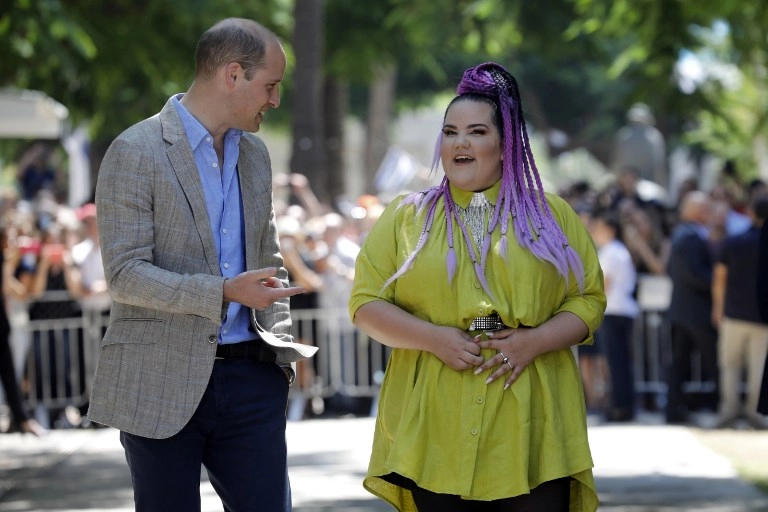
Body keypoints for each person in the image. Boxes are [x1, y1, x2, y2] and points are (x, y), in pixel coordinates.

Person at [349, 62, 606, 512]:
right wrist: (433, 339)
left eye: (476, 132)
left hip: (534, 424)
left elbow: (588, 299)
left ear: (506, 144)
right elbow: (366, 303)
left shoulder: (553, 215)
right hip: (436, 422)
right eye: (450, 132)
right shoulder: (405, 218)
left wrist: (535, 342)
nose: (460, 142)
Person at [86, 18, 316, 511]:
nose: (275, 100)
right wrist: (224, 292)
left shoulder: (254, 154)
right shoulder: (134, 150)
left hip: (253, 379)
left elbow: (267, 256)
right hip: (159, 381)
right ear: (233, 74)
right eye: (270, 86)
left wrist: (281, 353)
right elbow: (125, 275)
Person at [711, 194, 768, 429]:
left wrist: (717, 308)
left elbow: (720, 278)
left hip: (733, 314)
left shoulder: (734, 241)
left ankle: (728, 412)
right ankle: (757, 415)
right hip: (763, 318)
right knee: (760, 368)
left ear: (751, 213)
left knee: (730, 365)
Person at [665, 190, 719, 424]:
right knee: (712, 361)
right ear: (695, 211)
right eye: (706, 208)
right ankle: (719, 406)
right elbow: (695, 274)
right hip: (695, 312)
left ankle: (676, 409)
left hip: (682, 311)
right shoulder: (690, 236)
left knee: (680, 364)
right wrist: (719, 282)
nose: (710, 213)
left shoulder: (682, 234)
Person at [589, 210, 639, 422]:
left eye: (598, 227)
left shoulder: (610, 251)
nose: (594, 232)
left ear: (610, 229)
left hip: (614, 310)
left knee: (615, 363)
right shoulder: (619, 250)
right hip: (623, 310)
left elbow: (604, 283)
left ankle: (619, 407)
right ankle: (624, 405)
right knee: (621, 362)